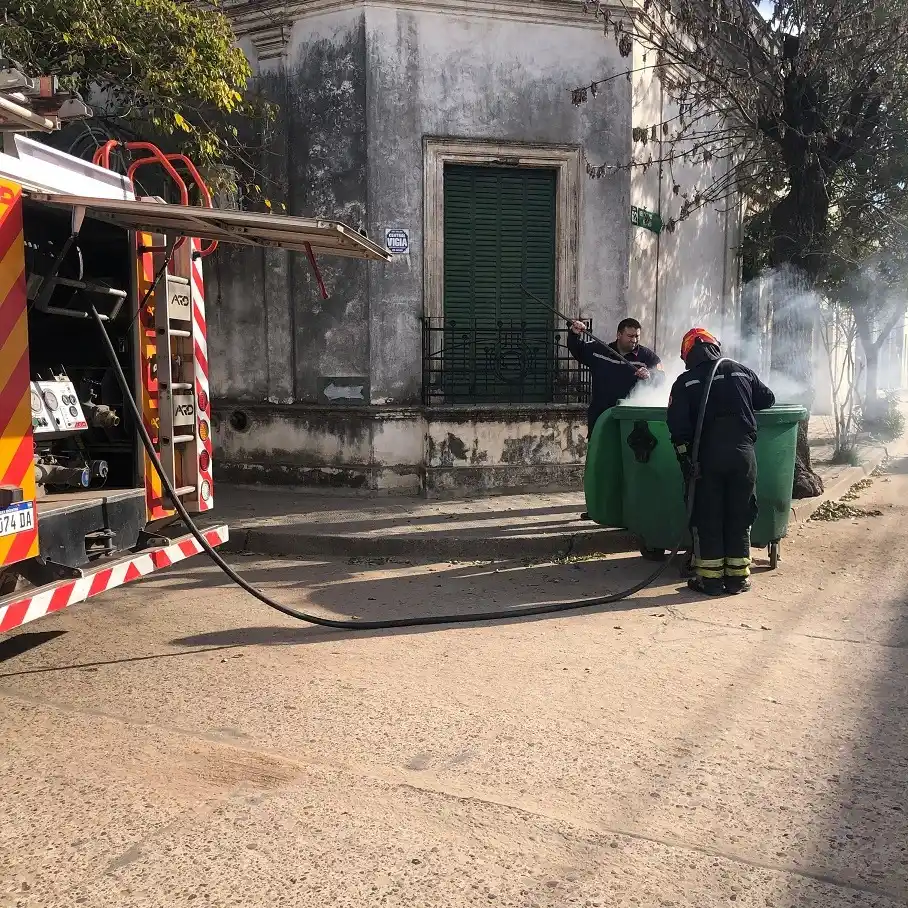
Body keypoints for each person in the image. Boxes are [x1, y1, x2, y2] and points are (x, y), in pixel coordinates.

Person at [667, 328, 776, 596]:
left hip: (707, 459)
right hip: (743, 455)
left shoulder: (685, 382)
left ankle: (711, 581)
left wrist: (685, 461)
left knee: (708, 518)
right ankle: (738, 579)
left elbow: (678, 428)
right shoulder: (741, 371)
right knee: (740, 514)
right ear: (716, 347)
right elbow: (768, 399)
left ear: (688, 353)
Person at [567, 317, 663, 435]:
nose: (634, 340)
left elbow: (661, 377)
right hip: (601, 418)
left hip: (632, 422)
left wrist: (650, 375)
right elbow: (578, 350)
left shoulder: (647, 358)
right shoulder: (600, 352)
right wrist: (574, 333)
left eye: (637, 336)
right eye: (630, 336)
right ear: (619, 335)